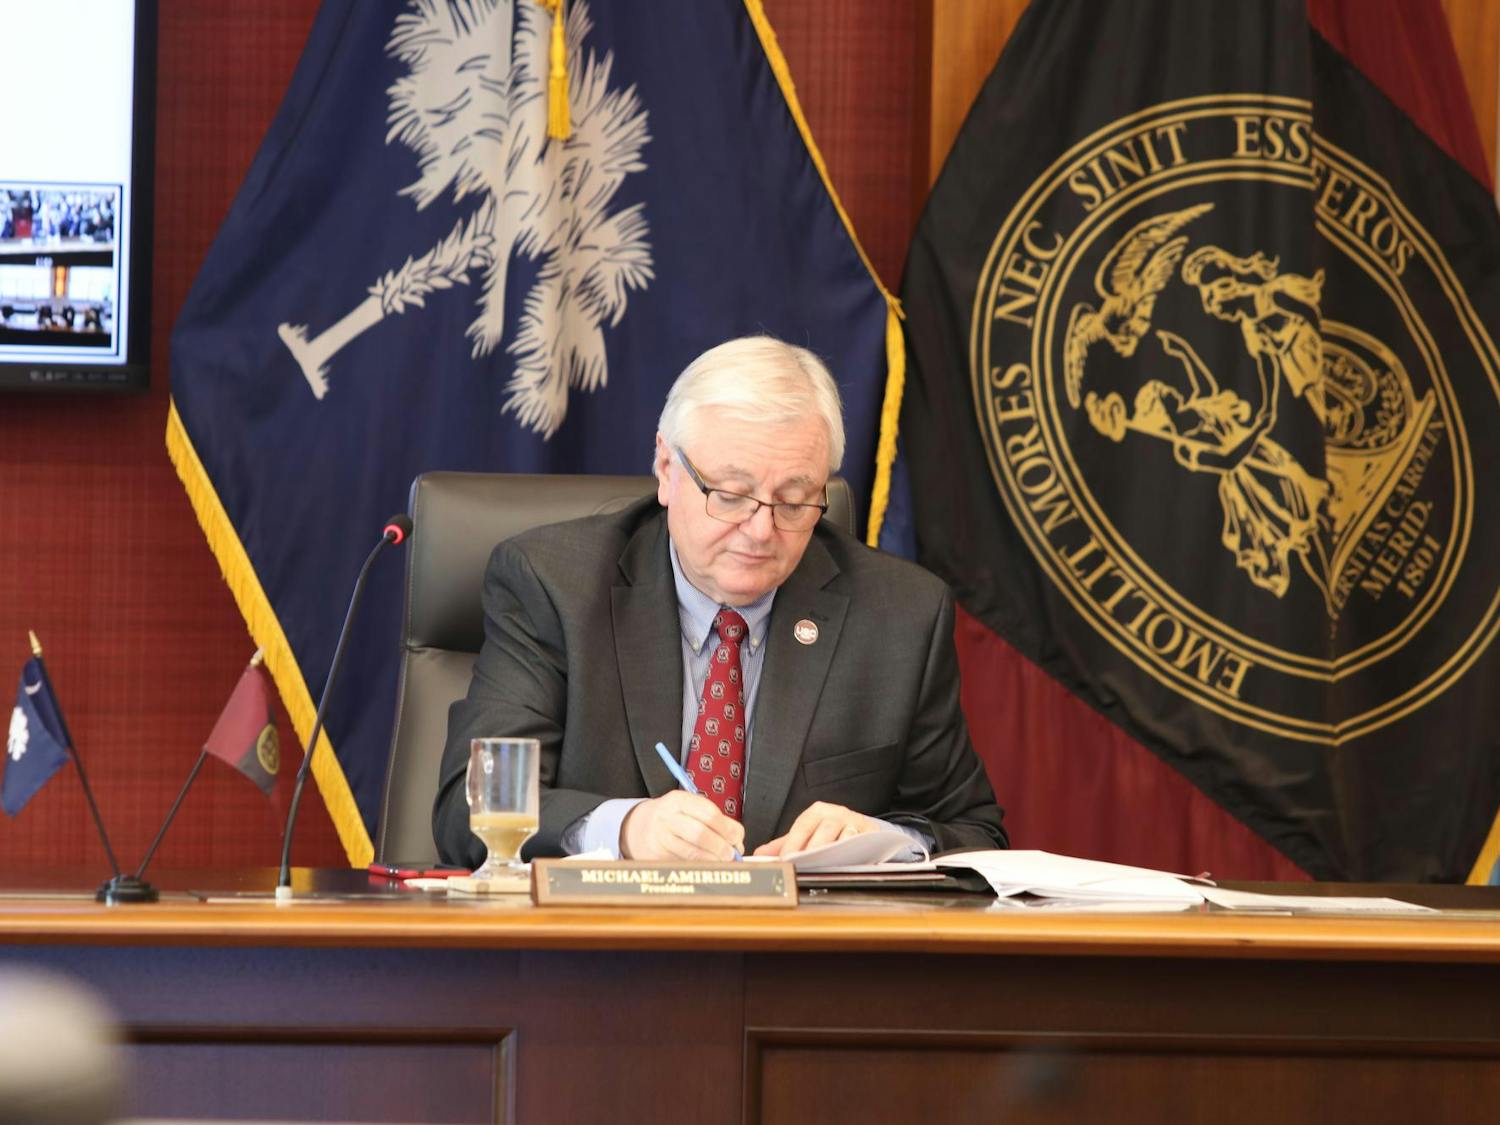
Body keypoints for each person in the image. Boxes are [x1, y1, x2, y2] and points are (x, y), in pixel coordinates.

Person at [433, 336, 1008, 864]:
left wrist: (883, 841)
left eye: (794, 499)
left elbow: (973, 829)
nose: (760, 531)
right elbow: (469, 809)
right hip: (595, 956)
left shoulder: (899, 614)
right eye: (731, 496)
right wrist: (625, 827)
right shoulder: (553, 585)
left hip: (806, 964)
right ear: (666, 468)